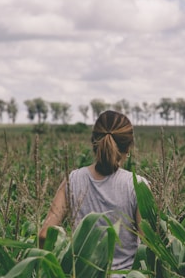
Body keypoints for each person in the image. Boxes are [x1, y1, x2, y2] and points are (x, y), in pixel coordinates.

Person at [39, 110, 147, 277]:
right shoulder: (137, 186)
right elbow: (148, 247)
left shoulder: (73, 180)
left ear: (93, 142)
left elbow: (44, 234)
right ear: (128, 147)